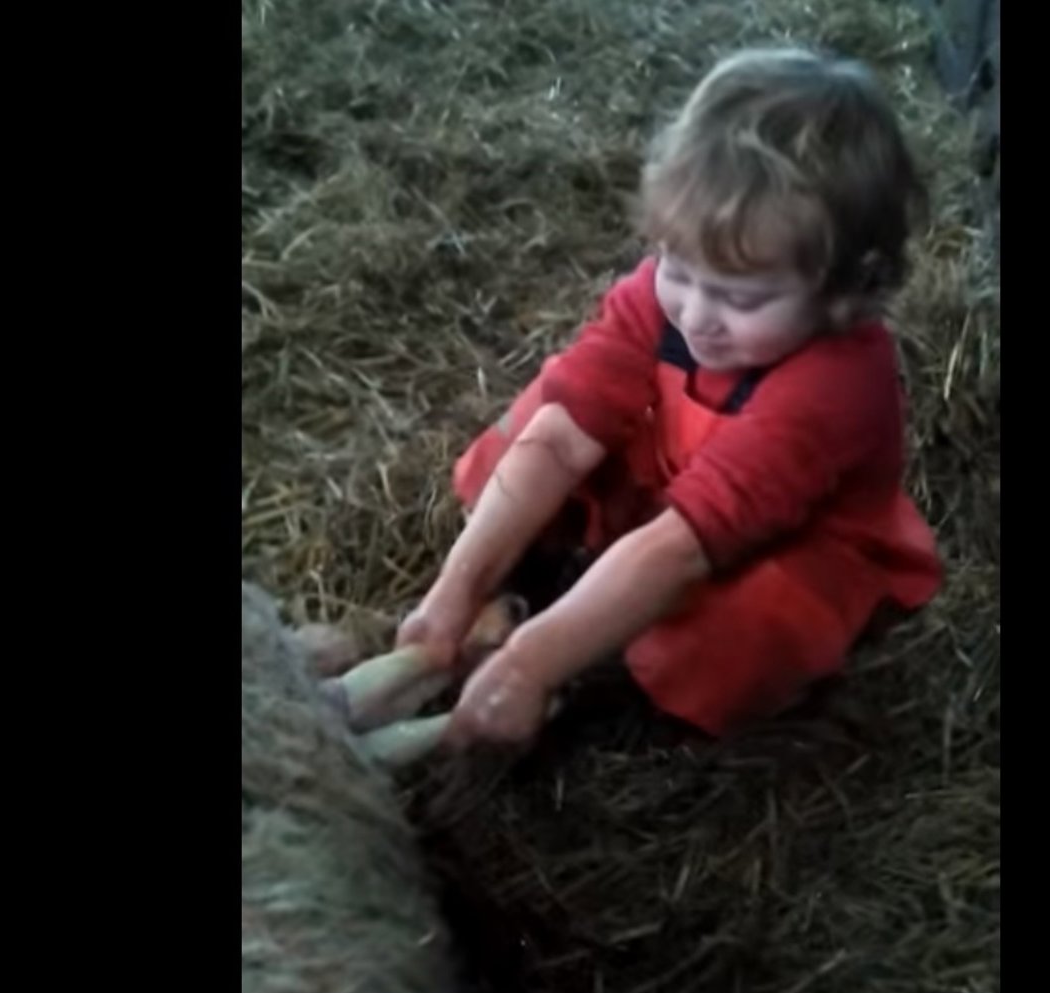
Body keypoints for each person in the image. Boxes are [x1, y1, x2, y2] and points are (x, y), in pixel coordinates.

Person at [396, 46, 943, 748]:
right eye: (678, 268)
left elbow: (683, 546)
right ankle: (538, 588)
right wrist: (455, 589)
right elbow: (561, 438)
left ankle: (611, 690)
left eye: (742, 299)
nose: (696, 315)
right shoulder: (663, 301)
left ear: (845, 287)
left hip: (770, 538)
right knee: (534, 424)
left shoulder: (836, 383)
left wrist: (531, 665)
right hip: (675, 486)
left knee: (729, 640)